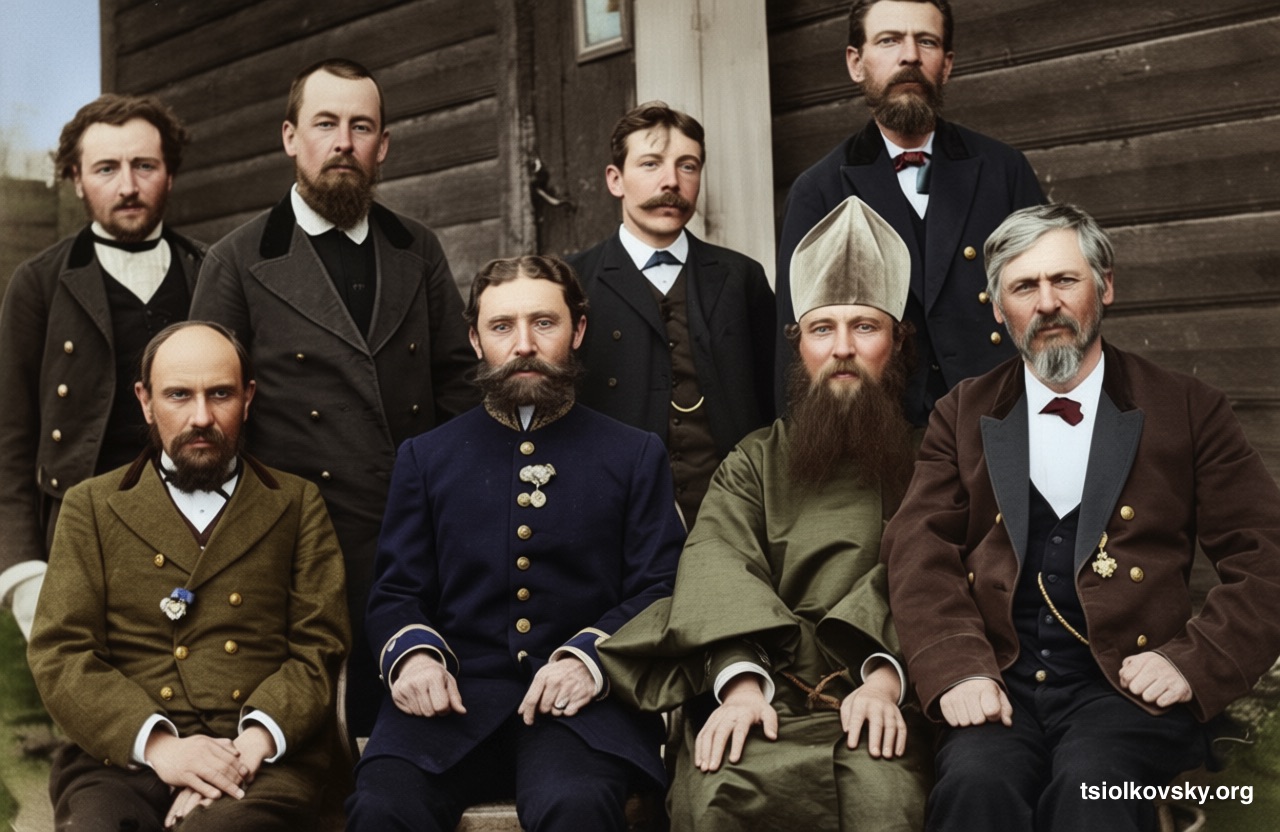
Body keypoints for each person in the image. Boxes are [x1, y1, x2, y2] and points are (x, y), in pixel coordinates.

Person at [883, 203, 1280, 831]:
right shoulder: (960, 414)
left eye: (1064, 280)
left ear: (1105, 286)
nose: (1047, 304)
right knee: (975, 788)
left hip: (1125, 691)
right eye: (1024, 287)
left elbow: (1267, 555)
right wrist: (956, 669)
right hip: (998, 681)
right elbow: (918, 552)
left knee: (1094, 793)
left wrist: (1194, 660)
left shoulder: (1187, 407)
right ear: (998, 309)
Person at [600, 197, 931, 832]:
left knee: (885, 799)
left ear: (897, 343)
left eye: (865, 327)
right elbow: (717, 570)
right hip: (761, 692)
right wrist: (739, 685)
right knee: (716, 793)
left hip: (881, 693)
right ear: (798, 346)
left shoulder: (930, 459)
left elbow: (928, 573)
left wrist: (884, 681)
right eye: (822, 329)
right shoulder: (753, 462)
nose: (842, 349)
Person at [345, 255, 686, 832]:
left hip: (583, 708)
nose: (524, 345)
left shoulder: (633, 454)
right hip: (451, 704)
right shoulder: (427, 458)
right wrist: (416, 655)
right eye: (502, 326)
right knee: (382, 807)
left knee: (576, 805)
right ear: (475, 340)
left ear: (578, 330)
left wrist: (589, 659)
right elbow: (396, 590)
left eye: (544, 323)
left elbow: (661, 587)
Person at [190, 57, 478, 733]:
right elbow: (212, 416)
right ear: (291, 137)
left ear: (384, 145)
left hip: (412, 534)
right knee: (308, 734)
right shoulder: (236, 259)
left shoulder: (417, 248)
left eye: (361, 127)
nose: (343, 143)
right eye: (325, 124)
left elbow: (458, 387)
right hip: (295, 541)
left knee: (412, 723)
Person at [27, 321, 350, 831]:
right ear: (145, 401)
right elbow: (61, 652)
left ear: (247, 398)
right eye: (179, 395)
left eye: (220, 394)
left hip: (258, 756)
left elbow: (320, 647)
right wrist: (163, 749)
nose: (201, 417)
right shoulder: (91, 505)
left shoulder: (295, 503)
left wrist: (246, 750)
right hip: (125, 756)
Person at [775, 0, 1044, 426]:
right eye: (889, 40)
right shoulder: (818, 190)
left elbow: (1048, 304)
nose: (910, 56)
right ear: (856, 63)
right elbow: (797, 348)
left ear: (947, 65)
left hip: (999, 420)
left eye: (927, 41)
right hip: (883, 435)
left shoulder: (1004, 170)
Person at [0, 94, 203, 640]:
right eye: (106, 168)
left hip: (201, 538)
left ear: (170, 173)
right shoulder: (39, 284)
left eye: (145, 166)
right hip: (81, 543)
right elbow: (9, 441)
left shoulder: (210, 272)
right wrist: (24, 574)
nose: (128, 186)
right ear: (75, 179)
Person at [567, 101, 775, 525]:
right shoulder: (572, 283)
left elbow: (774, 395)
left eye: (688, 166)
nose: (672, 181)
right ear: (615, 179)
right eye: (650, 164)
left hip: (733, 513)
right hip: (616, 514)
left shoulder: (741, 277)